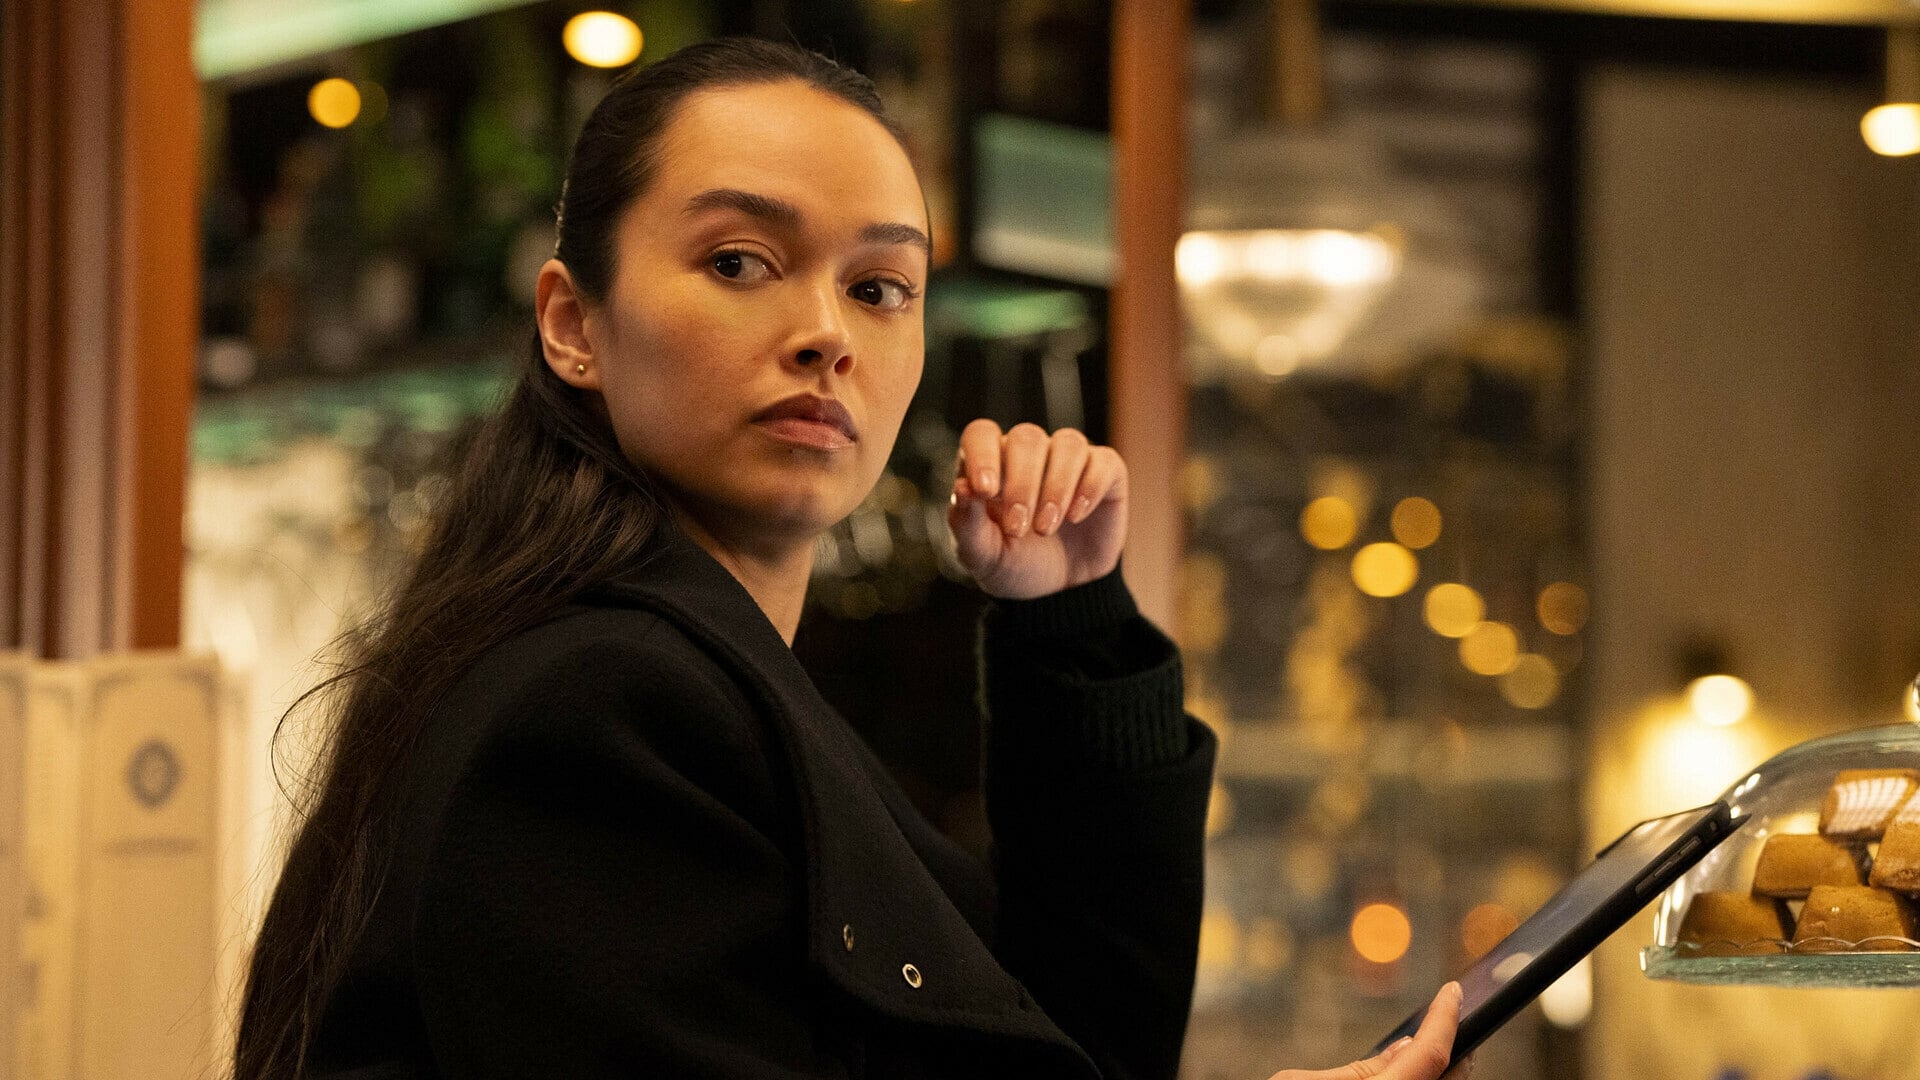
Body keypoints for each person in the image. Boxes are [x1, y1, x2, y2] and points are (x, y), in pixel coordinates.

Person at [233, 37, 1465, 1080]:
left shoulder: (715, 692)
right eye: (739, 263)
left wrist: (1068, 624)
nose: (826, 333)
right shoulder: (597, 705)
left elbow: (1085, 1042)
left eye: (880, 287)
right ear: (573, 325)